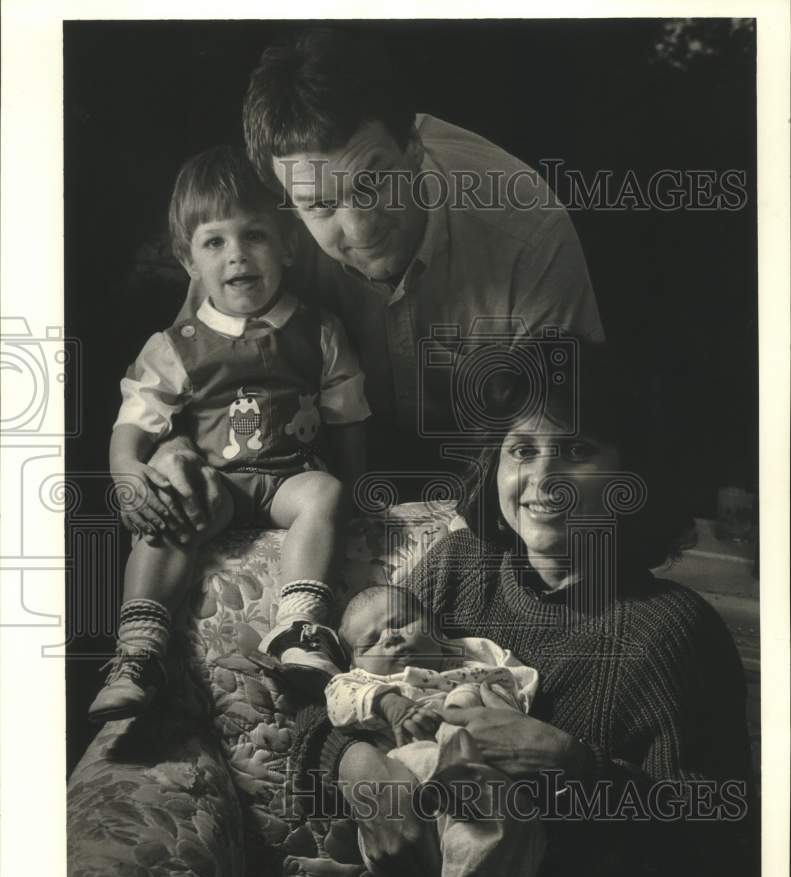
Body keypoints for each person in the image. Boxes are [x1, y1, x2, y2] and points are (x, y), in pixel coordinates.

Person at [291, 340, 756, 877]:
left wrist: (576, 768)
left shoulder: (674, 631)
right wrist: (359, 769)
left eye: (577, 449)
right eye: (522, 449)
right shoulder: (458, 568)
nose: (542, 479)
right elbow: (331, 701)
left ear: (632, 479)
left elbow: (718, 853)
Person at [153, 25, 605, 517]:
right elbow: (190, 363)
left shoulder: (528, 230)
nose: (360, 230)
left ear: (413, 149)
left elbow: (571, 426)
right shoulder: (258, 225)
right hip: (318, 467)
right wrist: (172, 445)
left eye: (373, 184)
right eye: (320, 204)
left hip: (491, 462)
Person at [89, 146, 370, 722]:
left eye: (256, 236)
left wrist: (355, 494)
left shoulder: (318, 329)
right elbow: (134, 419)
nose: (237, 255)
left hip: (292, 480)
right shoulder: (177, 343)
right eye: (214, 242)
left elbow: (349, 419)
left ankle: (299, 627)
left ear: (289, 243)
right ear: (188, 260)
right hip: (221, 484)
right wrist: (127, 470)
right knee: (170, 513)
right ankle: (139, 651)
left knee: (326, 493)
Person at [325, 582, 544, 877]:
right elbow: (337, 698)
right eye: (371, 641)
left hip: (480, 770)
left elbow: (518, 682)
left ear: (437, 629)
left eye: (403, 623)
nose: (391, 638)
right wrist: (390, 704)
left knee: (511, 819)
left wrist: (484, 699)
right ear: (355, 664)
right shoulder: (367, 683)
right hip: (410, 775)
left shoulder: (472, 658)